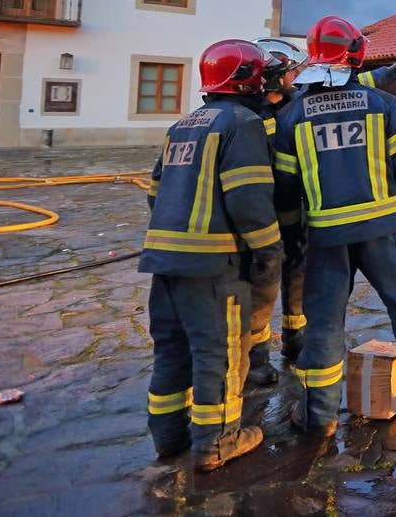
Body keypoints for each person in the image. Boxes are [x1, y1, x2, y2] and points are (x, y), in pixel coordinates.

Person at [273, 15, 396, 436]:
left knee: (326, 322)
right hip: (381, 230)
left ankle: (322, 417)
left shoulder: (292, 116)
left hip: (326, 237)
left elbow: (285, 189)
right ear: (355, 56)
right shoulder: (382, 105)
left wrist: (295, 234)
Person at [141, 39, 283, 471]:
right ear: (246, 79)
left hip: (165, 261)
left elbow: (154, 192)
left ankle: (168, 439)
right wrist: (268, 250)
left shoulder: (183, 125)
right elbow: (249, 199)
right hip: (214, 264)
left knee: (171, 350)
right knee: (219, 355)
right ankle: (218, 442)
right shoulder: (242, 124)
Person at [244, 37, 310, 386]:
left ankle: (295, 340)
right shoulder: (248, 116)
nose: (296, 78)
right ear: (273, 77)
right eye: (292, 73)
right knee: (262, 284)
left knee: (297, 273)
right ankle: (256, 359)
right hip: (260, 215)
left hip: (290, 210)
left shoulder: (291, 103)